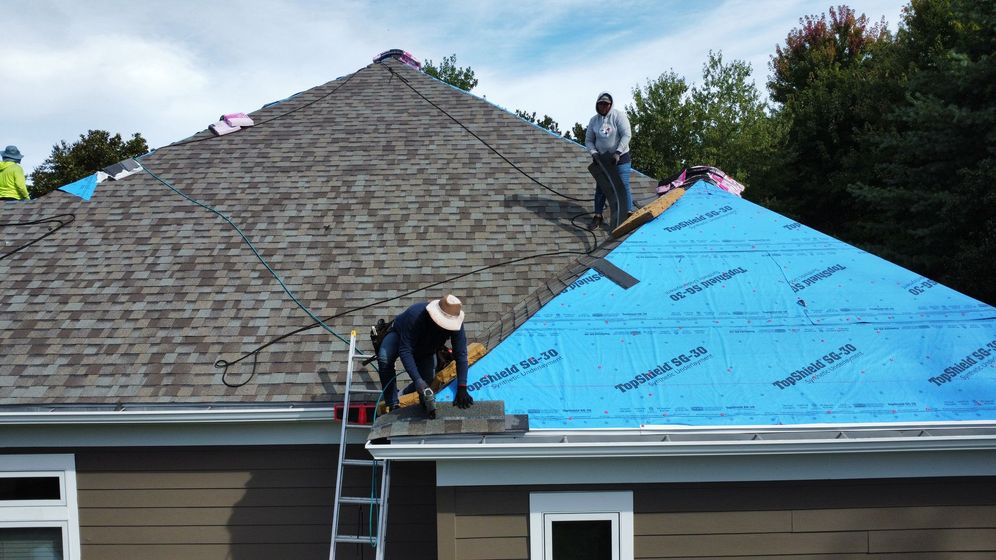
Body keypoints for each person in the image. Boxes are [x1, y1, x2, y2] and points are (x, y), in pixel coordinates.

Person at [377, 294, 474, 414]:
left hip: (427, 348)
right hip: (399, 335)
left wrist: (462, 387)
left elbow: (461, 355)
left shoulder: (457, 326)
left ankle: (411, 397)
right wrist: (417, 380)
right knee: (384, 358)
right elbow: (405, 350)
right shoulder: (415, 315)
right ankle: (392, 404)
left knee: (427, 380)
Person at [584, 93, 633, 230]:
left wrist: (618, 152)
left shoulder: (619, 116)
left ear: (610, 105)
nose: (603, 106)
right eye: (601, 103)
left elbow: (626, 135)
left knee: (623, 185)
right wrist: (594, 153)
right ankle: (598, 216)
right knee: (601, 188)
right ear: (597, 104)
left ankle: (628, 213)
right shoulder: (594, 121)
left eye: (606, 104)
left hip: (620, 158)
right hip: (602, 159)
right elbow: (588, 140)